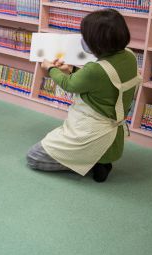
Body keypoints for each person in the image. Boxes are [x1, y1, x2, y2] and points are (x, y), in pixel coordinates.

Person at [26, 9, 141, 182]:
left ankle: (82, 162)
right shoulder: (130, 56)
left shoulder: (95, 69)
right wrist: (71, 69)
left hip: (92, 129)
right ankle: (100, 162)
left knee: (33, 157)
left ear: (97, 42)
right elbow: (104, 80)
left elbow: (69, 84)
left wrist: (51, 69)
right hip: (113, 127)